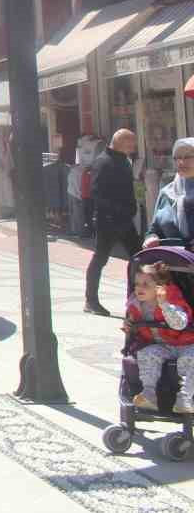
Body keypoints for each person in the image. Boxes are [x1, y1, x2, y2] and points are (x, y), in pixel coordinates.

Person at [86, 128, 141, 317]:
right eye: (130, 143)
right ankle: (91, 300)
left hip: (125, 219)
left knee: (139, 257)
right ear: (118, 142)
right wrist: (116, 210)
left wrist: (131, 207)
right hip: (108, 220)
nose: (133, 147)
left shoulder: (124, 160)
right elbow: (96, 193)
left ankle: (136, 297)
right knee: (100, 258)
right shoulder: (103, 162)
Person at [125, 262, 194, 413]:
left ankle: (185, 398)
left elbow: (179, 324)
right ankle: (149, 394)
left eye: (145, 284)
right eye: (136, 284)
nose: (139, 288)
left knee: (191, 359)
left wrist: (164, 304)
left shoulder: (172, 300)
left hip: (186, 343)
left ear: (160, 287)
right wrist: (129, 326)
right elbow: (135, 326)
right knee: (147, 354)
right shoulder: (135, 304)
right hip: (162, 345)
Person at [144, 138, 194, 248]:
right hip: (173, 261)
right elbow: (154, 229)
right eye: (177, 158)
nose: (181, 162)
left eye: (187, 157)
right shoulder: (167, 193)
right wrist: (151, 238)